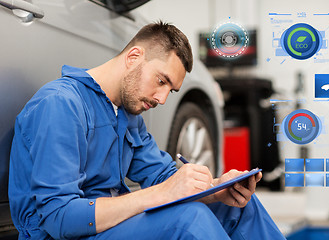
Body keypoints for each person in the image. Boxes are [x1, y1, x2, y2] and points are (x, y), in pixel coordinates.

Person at [9, 21, 285, 240]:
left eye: (170, 89)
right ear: (134, 56)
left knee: (238, 207)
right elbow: (59, 218)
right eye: (161, 80)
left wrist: (215, 189)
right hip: (64, 234)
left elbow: (162, 176)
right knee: (189, 219)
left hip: (111, 226)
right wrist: (163, 193)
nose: (162, 98)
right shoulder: (61, 103)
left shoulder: (127, 115)